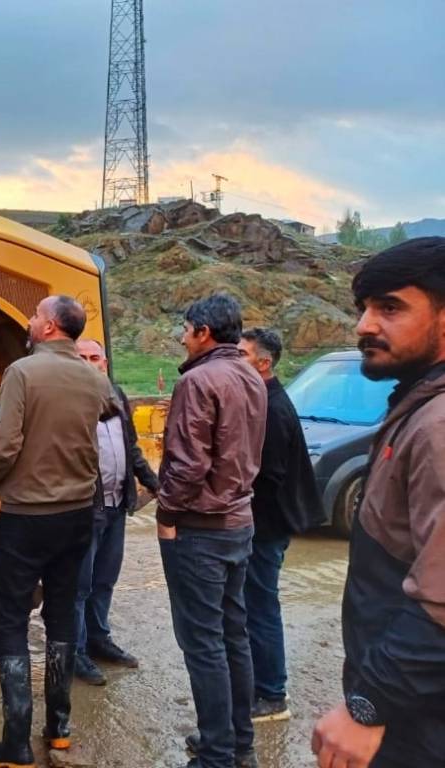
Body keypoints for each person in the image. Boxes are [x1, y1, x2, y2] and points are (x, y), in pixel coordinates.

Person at [311, 238, 445, 768]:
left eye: (390, 307)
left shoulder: (438, 425)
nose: (365, 325)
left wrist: (368, 706)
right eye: (364, 308)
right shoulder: (418, 405)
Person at [0, 295, 116, 767]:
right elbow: (110, 410)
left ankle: (15, 742)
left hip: (27, 516)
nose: (31, 319)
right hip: (77, 515)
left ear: (51, 326)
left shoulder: (22, 372)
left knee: (11, 619)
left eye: (36, 314)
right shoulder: (91, 376)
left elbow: (4, 443)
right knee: (61, 615)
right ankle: (58, 732)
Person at [156, 294, 267, 768]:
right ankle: (238, 744)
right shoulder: (250, 375)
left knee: (203, 645)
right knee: (232, 635)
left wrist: (164, 514)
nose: (181, 337)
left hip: (200, 529)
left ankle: (217, 754)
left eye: (185, 328)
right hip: (239, 523)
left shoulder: (199, 380)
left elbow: (187, 465)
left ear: (203, 332)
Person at [236, 328, 325, 723]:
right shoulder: (262, 399)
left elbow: (266, 476)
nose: (234, 359)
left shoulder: (271, 408)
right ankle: (261, 684)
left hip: (266, 527)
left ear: (263, 362)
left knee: (260, 607)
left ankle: (272, 695)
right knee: (255, 605)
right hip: (265, 525)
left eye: (241, 354)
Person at [72, 338, 159, 686]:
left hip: (115, 507)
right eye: (82, 358)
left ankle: (98, 640)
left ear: (105, 363)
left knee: (105, 580)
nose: (91, 363)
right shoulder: (66, 401)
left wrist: (153, 482)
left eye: (96, 358)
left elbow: (131, 448)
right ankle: (75, 653)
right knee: (78, 586)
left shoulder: (118, 396)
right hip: (83, 510)